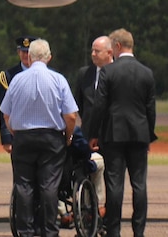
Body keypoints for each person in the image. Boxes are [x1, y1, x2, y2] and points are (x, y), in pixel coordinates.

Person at [0, 38, 78, 237]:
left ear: (31, 57)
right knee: (49, 186)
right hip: (51, 138)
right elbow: (70, 115)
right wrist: (67, 137)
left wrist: (15, 131)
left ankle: (25, 231)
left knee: (24, 185)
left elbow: (6, 113)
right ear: (49, 57)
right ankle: (49, 231)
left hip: (24, 137)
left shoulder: (16, 80)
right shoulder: (58, 79)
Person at [88, 28, 157, 237]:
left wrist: (93, 134)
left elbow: (99, 106)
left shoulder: (109, 72)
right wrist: (149, 135)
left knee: (114, 184)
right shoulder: (147, 72)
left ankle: (114, 230)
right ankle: (139, 230)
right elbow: (150, 108)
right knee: (139, 184)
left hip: (114, 134)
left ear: (117, 46)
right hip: (139, 134)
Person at [74, 36, 111, 217]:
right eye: (92, 50)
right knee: (88, 172)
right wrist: (89, 126)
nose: (93, 54)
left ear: (109, 52)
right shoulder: (84, 74)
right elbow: (79, 103)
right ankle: (89, 213)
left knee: (111, 176)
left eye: (97, 51)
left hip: (111, 134)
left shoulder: (116, 72)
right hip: (89, 134)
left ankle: (108, 213)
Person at [0, 36, 35, 154]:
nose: (25, 55)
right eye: (23, 51)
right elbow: (4, 109)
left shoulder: (48, 74)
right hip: (18, 132)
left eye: (28, 52)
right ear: (18, 52)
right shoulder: (8, 76)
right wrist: (6, 137)